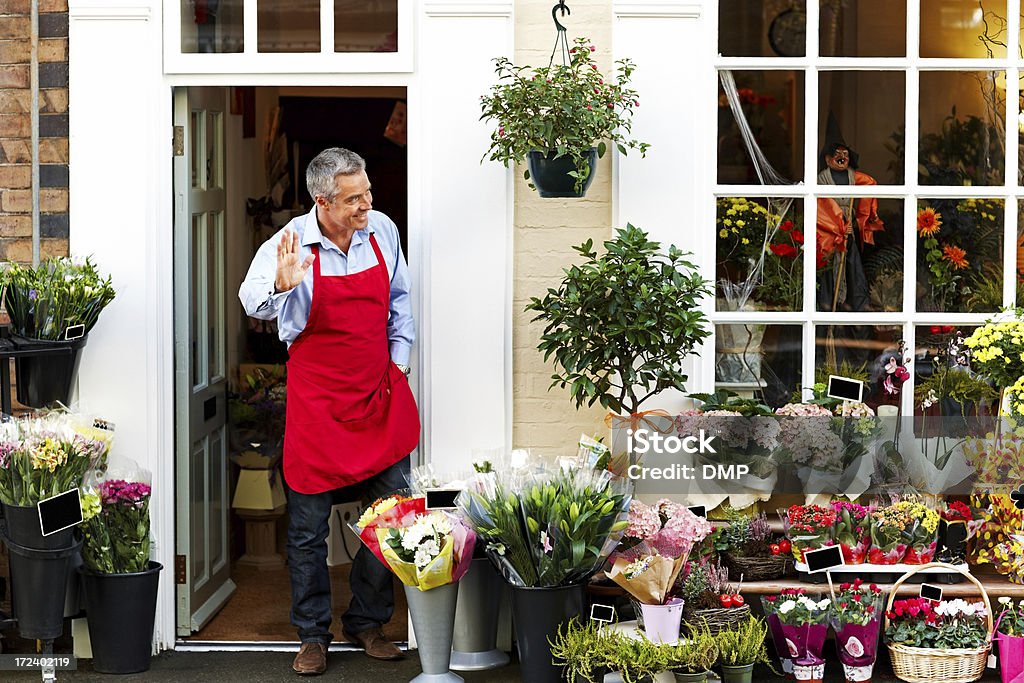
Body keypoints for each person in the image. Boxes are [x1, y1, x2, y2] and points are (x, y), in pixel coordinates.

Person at [239, 147, 420, 676]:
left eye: (367, 192)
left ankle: (368, 621)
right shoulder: (288, 242)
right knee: (306, 528)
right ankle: (313, 633)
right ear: (323, 200)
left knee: (390, 517)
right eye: (355, 198)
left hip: (376, 393)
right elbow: (250, 299)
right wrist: (281, 285)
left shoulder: (382, 230)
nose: (368, 203)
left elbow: (401, 301)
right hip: (317, 399)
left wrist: (399, 365)